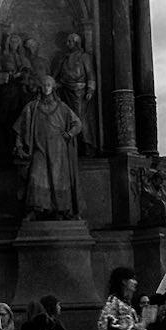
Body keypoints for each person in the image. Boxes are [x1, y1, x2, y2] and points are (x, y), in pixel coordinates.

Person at [12, 76, 83, 219]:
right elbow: (20, 128)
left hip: (59, 151)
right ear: (40, 87)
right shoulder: (32, 108)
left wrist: (69, 134)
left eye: (49, 85)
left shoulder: (62, 108)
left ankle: (61, 210)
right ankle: (35, 209)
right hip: (39, 149)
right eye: (44, 85)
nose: (46, 87)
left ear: (53, 87)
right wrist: (18, 145)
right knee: (35, 176)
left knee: (59, 180)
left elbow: (77, 123)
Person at [53, 33, 98, 151]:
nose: (67, 44)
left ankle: (87, 145)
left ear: (77, 43)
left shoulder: (84, 57)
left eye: (69, 41)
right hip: (64, 90)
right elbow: (56, 75)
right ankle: (71, 146)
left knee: (79, 117)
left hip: (79, 92)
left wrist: (90, 89)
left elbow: (90, 74)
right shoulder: (64, 58)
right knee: (65, 118)